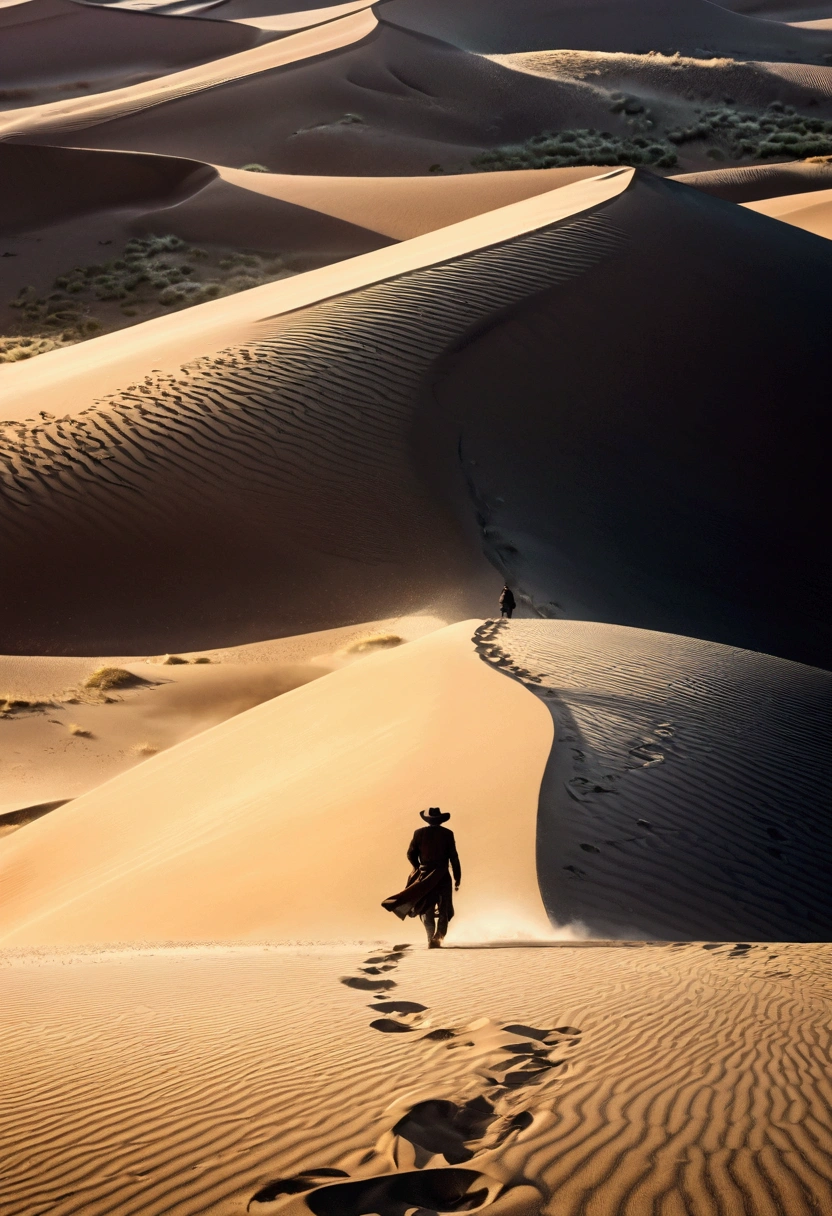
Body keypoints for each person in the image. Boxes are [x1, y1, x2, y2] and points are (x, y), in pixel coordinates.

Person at [382, 808, 461, 948]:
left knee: (426, 907)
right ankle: (438, 937)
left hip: (425, 875)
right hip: (443, 875)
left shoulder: (419, 833)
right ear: (440, 820)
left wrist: (418, 867)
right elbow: (454, 857)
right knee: (444, 908)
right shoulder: (448, 834)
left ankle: (431, 937)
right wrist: (457, 877)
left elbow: (410, 854)